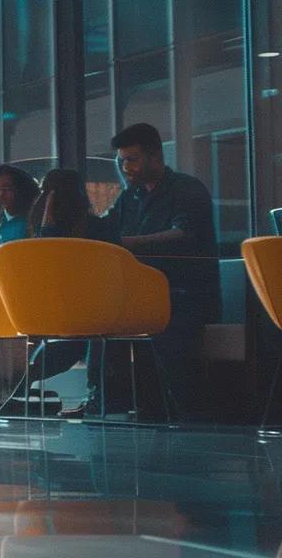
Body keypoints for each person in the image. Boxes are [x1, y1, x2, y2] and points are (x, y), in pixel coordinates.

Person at [100, 122, 220, 416]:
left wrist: (126, 243)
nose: (126, 168)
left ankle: (186, 415)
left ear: (156, 156)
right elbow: (106, 230)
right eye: (121, 161)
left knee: (166, 331)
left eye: (132, 159)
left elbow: (184, 235)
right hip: (145, 297)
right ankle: (110, 406)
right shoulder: (129, 198)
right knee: (100, 322)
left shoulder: (187, 189)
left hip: (186, 295)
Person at [10, 168, 123, 416]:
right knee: (85, 333)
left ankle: (15, 391)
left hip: (73, 313)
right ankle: (97, 399)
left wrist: (46, 211)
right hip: (85, 310)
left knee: (80, 336)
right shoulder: (96, 228)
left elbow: (50, 252)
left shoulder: (61, 231)